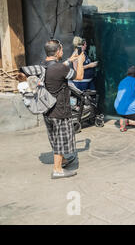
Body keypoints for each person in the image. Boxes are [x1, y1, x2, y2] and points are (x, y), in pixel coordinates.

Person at [42, 39, 85, 179]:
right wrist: (80, 62)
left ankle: (63, 161)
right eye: (61, 49)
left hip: (48, 110)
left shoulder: (44, 65)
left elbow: (58, 69)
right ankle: (57, 169)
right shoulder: (60, 68)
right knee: (62, 139)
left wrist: (69, 60)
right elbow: (79, 76)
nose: (62, 51)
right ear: (57, 51)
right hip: (60, 110)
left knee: (55, 138)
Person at [114, 65, 135, 132]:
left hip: (118, 109)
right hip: (131, 111)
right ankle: (128, 121)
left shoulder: (122, 81)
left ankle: (125, 118)